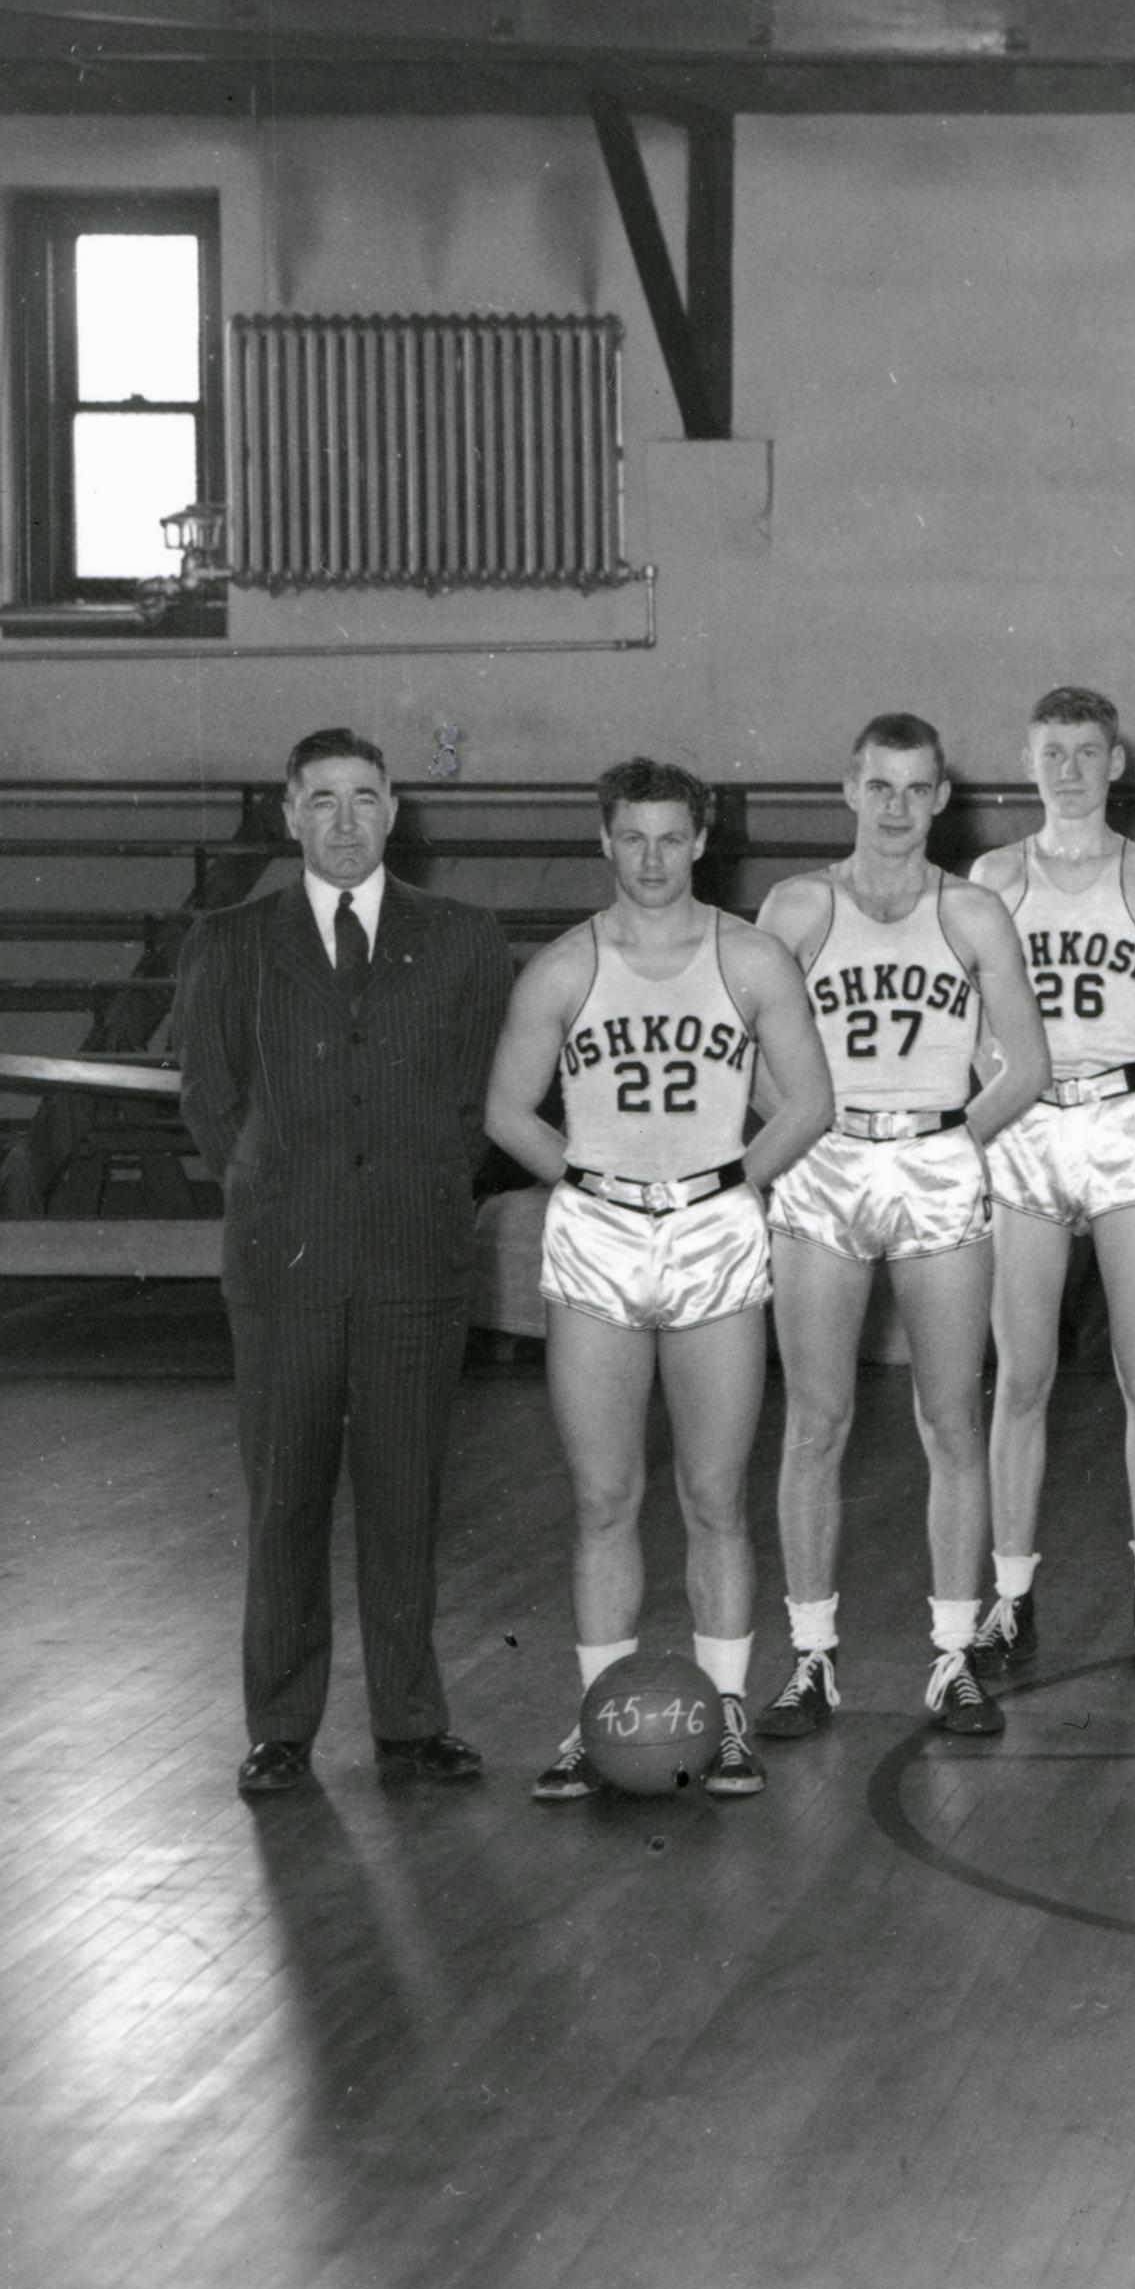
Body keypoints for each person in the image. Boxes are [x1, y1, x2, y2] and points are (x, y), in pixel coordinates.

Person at [483, 759, 831, 1801]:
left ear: (700, 840)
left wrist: (733, 1188)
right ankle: (597, 1723)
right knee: (602, 1497)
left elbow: (808, 1103)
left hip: (714, 1229)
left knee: (714, 1495)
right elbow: (506, 1111)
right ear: (604, 839)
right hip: (595, 1231)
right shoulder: (561, 967)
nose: (650, 858)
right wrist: (585, 1179)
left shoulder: (753, 957)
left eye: (670, 837)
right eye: (631, 837)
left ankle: (724, 1721)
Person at [176, 726, 513, 1796]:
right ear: (288, 813)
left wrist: (412, 1196)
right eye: (321, 800)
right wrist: (288, 1192)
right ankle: (280, 1727)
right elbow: (211, 1099)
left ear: (395, 809)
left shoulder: (462, 937)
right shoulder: (231, 939)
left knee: (406, 1496)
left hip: (416, 1261)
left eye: (364, 798)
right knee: (285, 1500)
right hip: (286, 1263)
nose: (345, 821)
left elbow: (477, 1104)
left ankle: (411, 1725)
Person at [753, 714, 1049, 1741]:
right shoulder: (796, 905)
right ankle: (810, 1657)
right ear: (849, 787)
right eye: (879, 785)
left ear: (940, 797)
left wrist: (953, 1144)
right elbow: (751, 1051)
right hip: (826, 1159)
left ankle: (954, 1655)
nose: (895, 807)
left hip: (933, 1157)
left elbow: (1030, 1065)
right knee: (817, 1420)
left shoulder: (970, 912)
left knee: (952, 1421)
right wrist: (799, 1127)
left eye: (916, 789)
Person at [969, 689, 1135, 1682]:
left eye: (1086, 751)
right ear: (1028, 760)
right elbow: (973, 1022)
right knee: (1021, 1377)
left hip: (1121, 1124)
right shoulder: (990, 877)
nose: (1068, 768)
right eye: (1051, 751)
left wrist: (1123, 1111)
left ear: (1117, 763)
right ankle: (1010, 1599)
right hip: (1022, 1127)